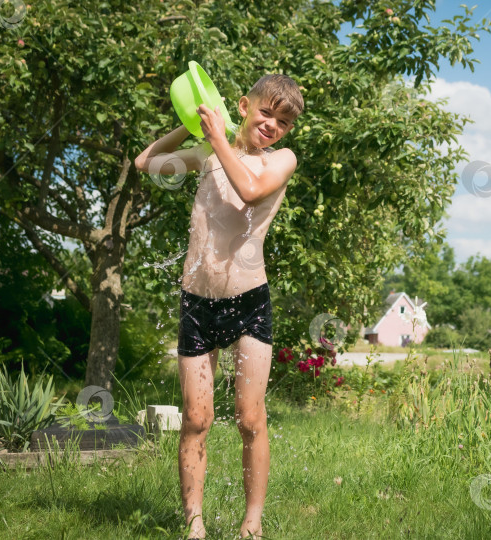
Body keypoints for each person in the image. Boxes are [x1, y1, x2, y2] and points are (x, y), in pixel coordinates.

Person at [135, 73, 304, 539]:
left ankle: (252, 521)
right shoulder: (209, 154)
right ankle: (194, 524)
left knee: (249, 418)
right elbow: (146, 163)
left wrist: (215, 139)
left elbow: (250, 189)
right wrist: (190, 126)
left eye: (283, 121)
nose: (272, 125)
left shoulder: (281, 161)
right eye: (266, 112)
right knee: (195, 418)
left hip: (250, 301)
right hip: (197, 302)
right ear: (244, 106)